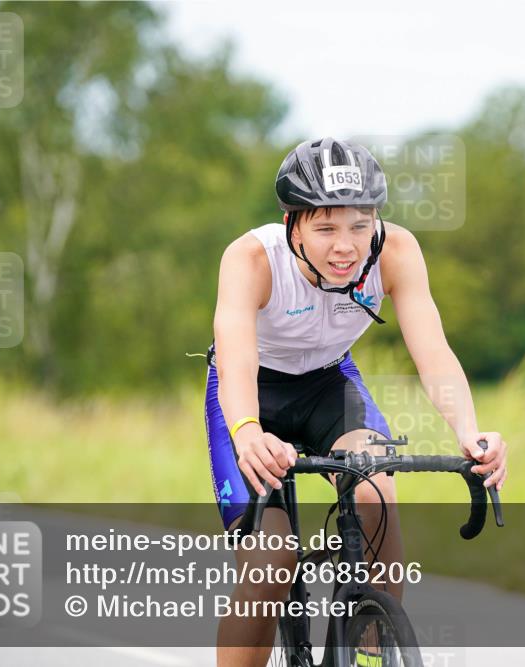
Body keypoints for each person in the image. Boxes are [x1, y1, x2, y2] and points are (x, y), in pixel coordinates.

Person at [205, 136, 508, 667]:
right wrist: (249, 432)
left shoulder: (395, 252)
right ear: (291, 223)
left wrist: (470, 431)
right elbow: (236, 360)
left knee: (376, 491)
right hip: (253, 394)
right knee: (272, 562)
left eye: (359, 225)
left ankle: (372, 645)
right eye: (325, 228)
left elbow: (432, 350)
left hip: (329, 384)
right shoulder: (252, 258)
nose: (345, 246)